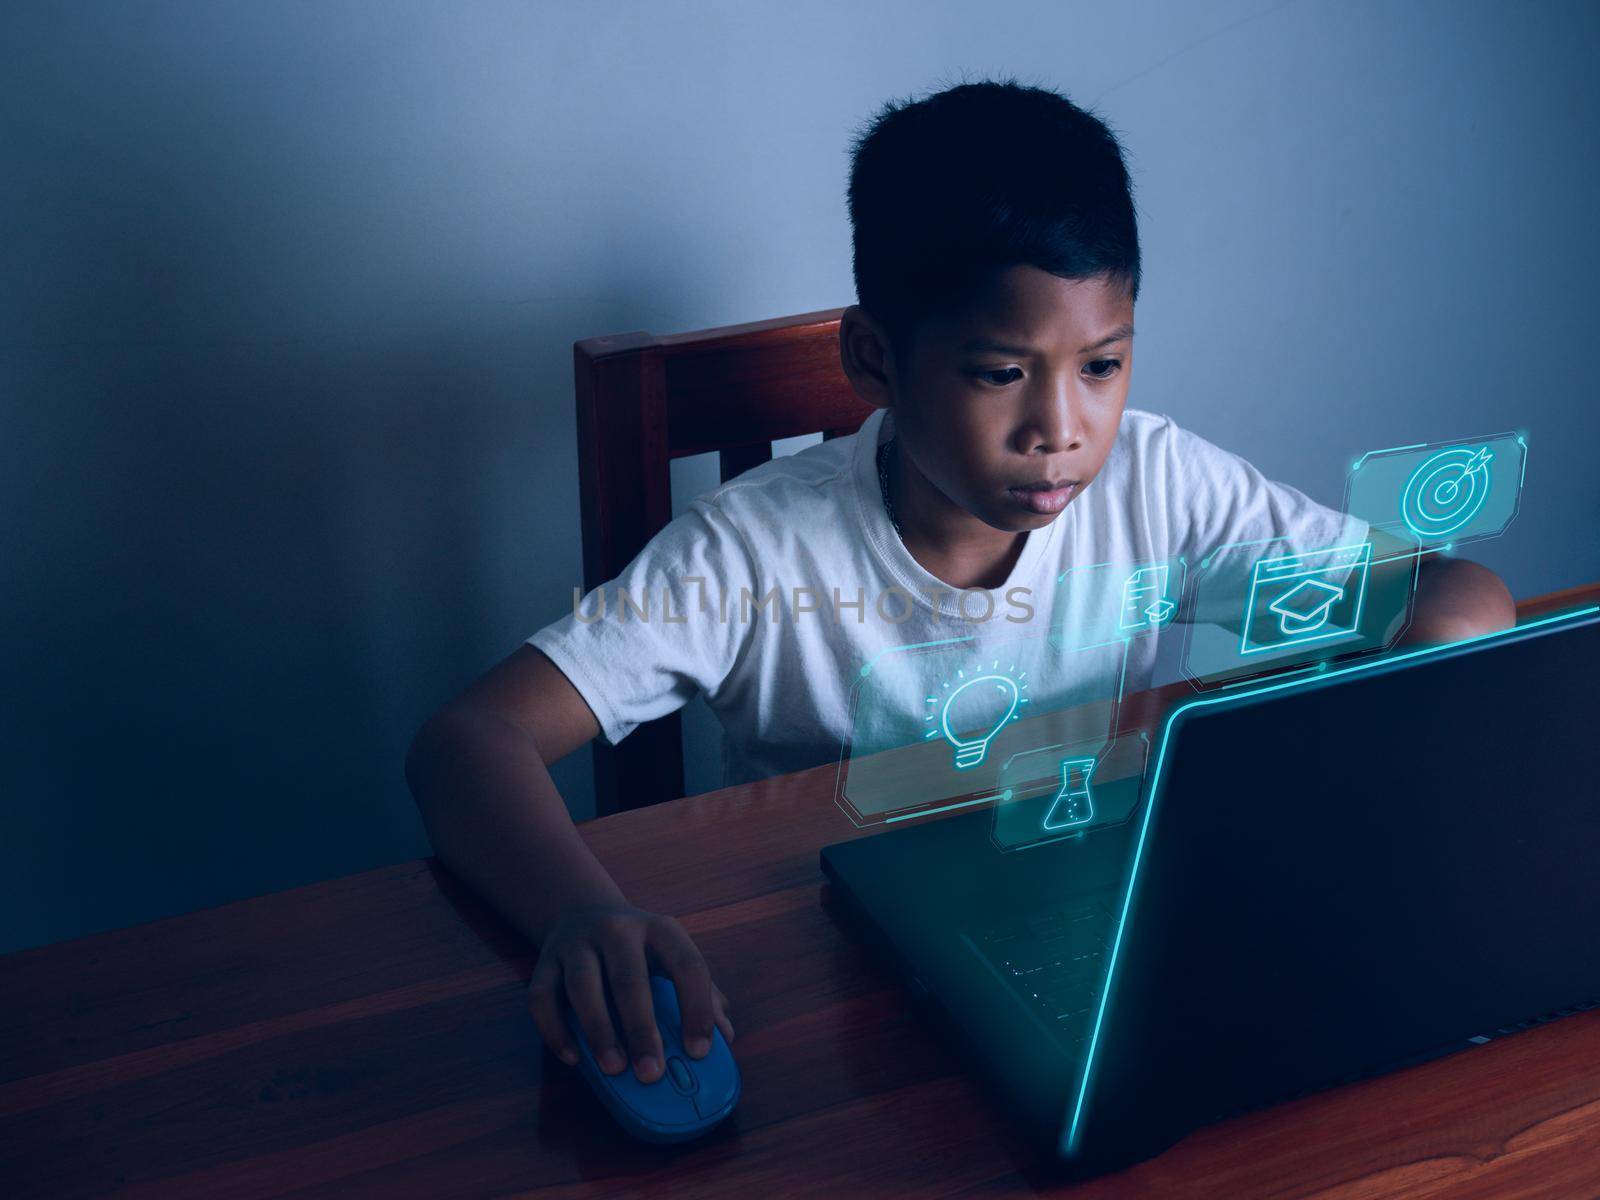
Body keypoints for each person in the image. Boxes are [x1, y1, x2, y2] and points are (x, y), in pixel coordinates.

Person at [405, 78, 1516, 1091]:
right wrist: (586, 908)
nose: (1061, 432)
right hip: (830, 987)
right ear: (875, 359)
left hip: (1084, 943)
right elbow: (469, 742)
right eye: (999, 374)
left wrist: (1376, 748)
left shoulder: (1160, 485)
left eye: (1102, 366)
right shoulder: (756, 553)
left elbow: (1455, 596)